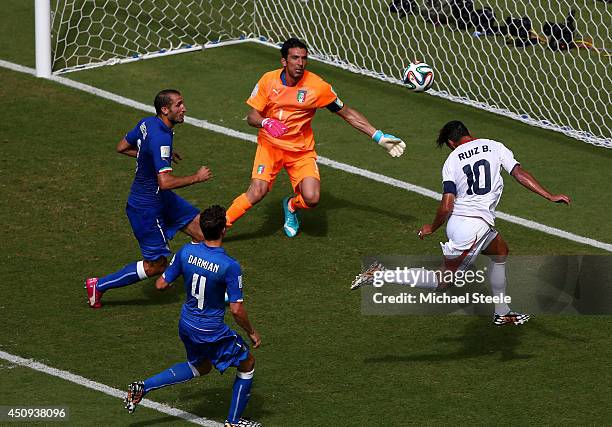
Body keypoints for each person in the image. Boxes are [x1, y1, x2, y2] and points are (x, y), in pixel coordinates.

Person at [353, 120, 570, 325]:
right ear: (467, 132)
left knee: (500, 251)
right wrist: (548, 195)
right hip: (473, 227)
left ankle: (502, 313)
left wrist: (432, 227)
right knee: (441, 282)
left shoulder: (452, 160)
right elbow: (519, 173)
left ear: (450, 142)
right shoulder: (494, 146)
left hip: (466, 223)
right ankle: (380, 274)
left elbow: (447, 205)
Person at [225, 37, 406, 238]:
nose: (300, 63)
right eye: (295, 58)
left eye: (303, 58)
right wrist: (265, 122)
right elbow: (252, 116)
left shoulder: (317, 87)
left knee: (311, 198)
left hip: (300, 151)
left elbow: (346, 113)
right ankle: (218, 228)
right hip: (270, 146)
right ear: (284, 61)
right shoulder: (268, 80)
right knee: (257, 191)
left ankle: (291, 206)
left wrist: (378, 136)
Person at [124, 205, 262, 427]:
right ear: (224, 230)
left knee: (202, 366)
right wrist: (252, 332)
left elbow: (160, 285)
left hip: (187, 323)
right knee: (247, 363)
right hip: (211, 331)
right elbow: (236, 310)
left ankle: (143, 386)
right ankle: (233, 423)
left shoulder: (186, 252)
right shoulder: (229, 266)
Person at [85, 89, 212, 308]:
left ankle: (209, 290)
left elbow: (122, 147)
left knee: (204, 232)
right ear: (165, 109)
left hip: (161, 199)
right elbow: (165, 182)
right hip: (146, 208)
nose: (184, 109)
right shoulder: (161, 137)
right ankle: (99, 285)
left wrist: (155, 155)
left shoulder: (148, 123)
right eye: (179, 105)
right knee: (156, 266)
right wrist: (197, 178)